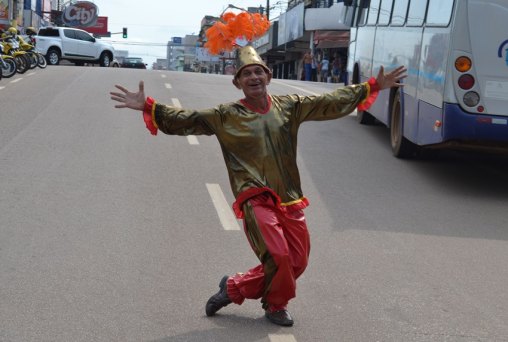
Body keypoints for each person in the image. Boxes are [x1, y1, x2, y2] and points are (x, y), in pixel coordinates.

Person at [110, 45, 407, 327]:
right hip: (254, 196)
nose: (253, 77)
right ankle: (276, 306)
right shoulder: (225, 115)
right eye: (246, 74)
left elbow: (329, 102)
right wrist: (148, 106)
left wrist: (372, 87)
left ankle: (234, 287)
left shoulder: (290, 106)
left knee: (297, 262)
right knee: (278, 256)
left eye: (258, 72)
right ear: (237, 82)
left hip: (289, 197)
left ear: (268, 77)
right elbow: (186, 120)